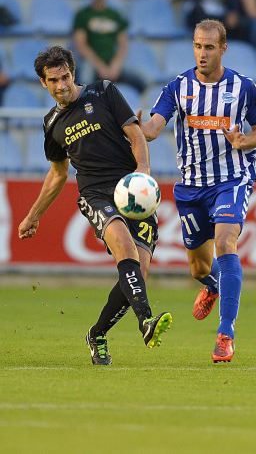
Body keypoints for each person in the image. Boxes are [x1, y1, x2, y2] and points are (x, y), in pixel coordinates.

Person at [18, 45, 172, 366]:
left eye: (65, 77)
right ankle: (147, 321)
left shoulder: (104, 92)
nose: (61, 85)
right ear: (43, 83)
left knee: (138, 272)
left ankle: (97, 334)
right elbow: (58, 175)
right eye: (53, 80)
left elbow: (136, 134)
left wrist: (142, 172)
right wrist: (33, 216)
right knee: (126, 250)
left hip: (132, 189)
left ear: (73, 73)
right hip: (95, 194)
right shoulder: (51, 125)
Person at [138, 19, 256, 363]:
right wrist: (139, 128)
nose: (202, 53)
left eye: (209, 47)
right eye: (197, 46)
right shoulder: (178, 87)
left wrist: (245, 140)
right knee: (199, 268)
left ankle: (225, 334)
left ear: (223, 49)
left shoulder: (243, 87)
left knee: (226, 242)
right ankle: (213, 286)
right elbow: (154, 126)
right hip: (191, 185)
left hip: (232, 178)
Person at [73, 0, 145, 92]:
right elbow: (81, 46)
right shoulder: (83, 15)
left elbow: (123, 44)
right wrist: (101, 67)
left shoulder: (115, 15)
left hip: (112, 62)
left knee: (142, 82)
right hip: (92, 63)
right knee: (84, 83)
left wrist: (115, 65)